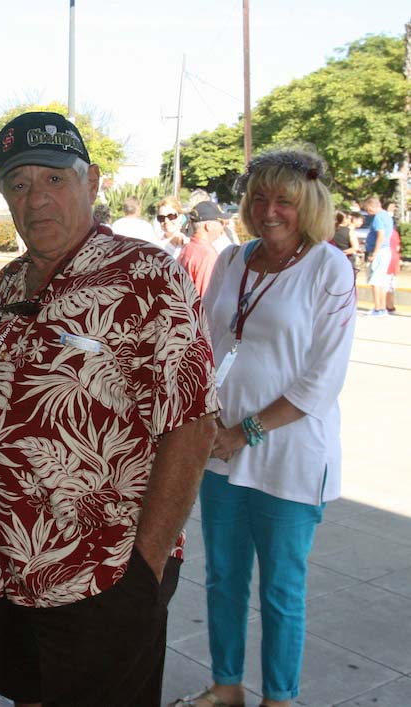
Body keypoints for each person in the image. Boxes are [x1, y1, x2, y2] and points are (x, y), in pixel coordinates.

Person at [0, 110, 218, 706]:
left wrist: (144, 569)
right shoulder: (3, 286)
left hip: (102, 573)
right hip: (2, 566)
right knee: (24, 694)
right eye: (18, 184)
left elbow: (194, 421)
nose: (36, 198)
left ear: (92, 182)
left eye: (55, 179)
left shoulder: (146, 276)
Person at [173, 148, 356, 707]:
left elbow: (322, 379)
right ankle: (226, 684)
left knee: (281, 591)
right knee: (224, 579)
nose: (268, 210)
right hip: (220, 453)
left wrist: (244, 431)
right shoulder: (231, 261)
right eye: (258, 198)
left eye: (284, 201)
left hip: (288, 454)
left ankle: (280, 697)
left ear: (310, 206)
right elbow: (205, 344)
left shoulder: (329, 267)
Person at [178, 202, 225, 296]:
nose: (223, 228)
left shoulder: (187, 248)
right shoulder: (207, 256)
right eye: (221, 223)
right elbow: (206, 299)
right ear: (208, 226)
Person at [363, 196, 393, 317]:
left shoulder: (378, 218)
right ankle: (381, 307)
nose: (368, 212)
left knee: (375, 280)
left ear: (372, 207)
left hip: (379, 252)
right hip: (385, 250)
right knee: (381, 280)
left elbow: (381, 235)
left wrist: (374, 252)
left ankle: (378, 308)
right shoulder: (386, 215)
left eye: (368, 209)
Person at [331, 210, 360, 275]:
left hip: (332, 258)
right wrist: (342, 253)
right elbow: (355, 247)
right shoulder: (349, 231)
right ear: (345, 219)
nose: (351, 220)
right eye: (349, 218)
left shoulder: (330, 230)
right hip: (346, 258)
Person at [384, 202, 401, 314]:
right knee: (391, 284)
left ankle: (385, 305)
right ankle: (390, 305)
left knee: (385, 284)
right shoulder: (395, 233)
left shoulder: (385, 233)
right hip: (394, 258)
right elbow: (398, 247)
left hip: (387, 259)